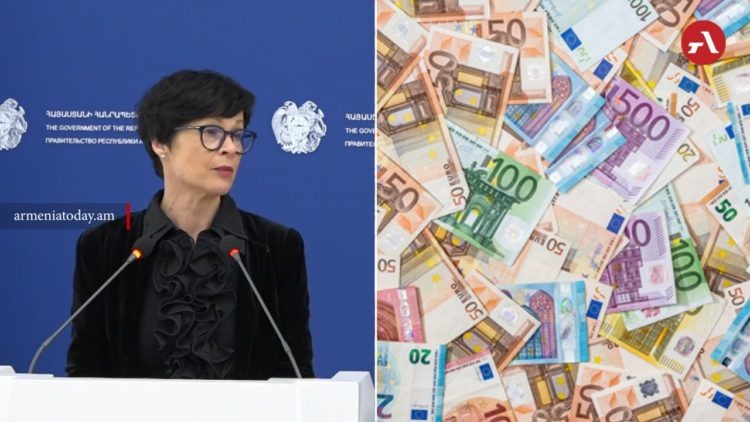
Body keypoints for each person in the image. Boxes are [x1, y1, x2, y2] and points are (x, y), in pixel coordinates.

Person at [65, 70, 314, 379]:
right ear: (160, 142)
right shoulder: (106, 246)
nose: (231, 148)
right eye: (212, 132)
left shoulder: (275, 246)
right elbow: (86, 374)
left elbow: (294, 374)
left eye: (237, 134)